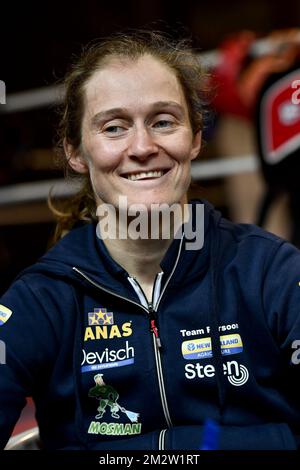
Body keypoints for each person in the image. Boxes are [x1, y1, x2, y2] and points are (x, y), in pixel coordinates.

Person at [0, 29, 300, 451]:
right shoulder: (42, 300)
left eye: (163, 121)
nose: (142, 147)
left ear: (195, 138)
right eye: (114, 127)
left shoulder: (270, 271)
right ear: (76, 152)